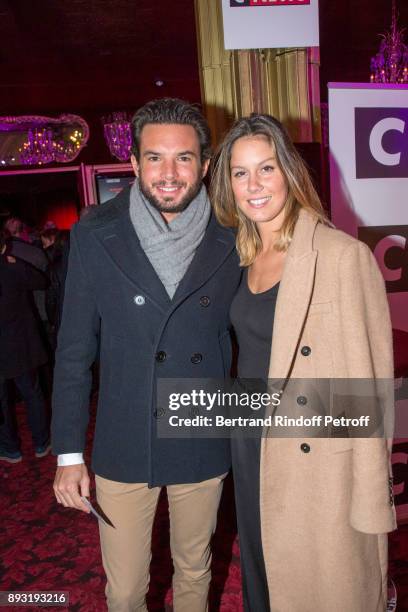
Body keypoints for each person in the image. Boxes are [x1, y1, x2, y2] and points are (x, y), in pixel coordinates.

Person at [51, 98, 241, 611]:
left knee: (195, 570)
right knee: (127, 589)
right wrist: (69, 453)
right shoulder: (94, 231)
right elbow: (73, 349)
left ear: (205, 165)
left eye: (183, 158)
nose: (169, 173)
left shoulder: (235, 231)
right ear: (133, 164)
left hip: (201, 429)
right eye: (154, 158)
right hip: (125, 436)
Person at [210, 113, 396, 612]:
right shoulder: (242, 254)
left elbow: (369, 389)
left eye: (266, 168)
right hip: (251, 443)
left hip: (314, 455)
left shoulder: (340, 256)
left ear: (289, 172)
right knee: (263, 571)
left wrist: (371, 497)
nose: (254, 185)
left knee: (317, 586)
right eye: (240, 172)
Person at [0, 229, 51, 462]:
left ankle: (11, 449)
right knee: (32, 394)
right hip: (20, 346)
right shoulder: (12, 266)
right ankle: (41, 443)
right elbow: (42, 281)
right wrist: (16, 262)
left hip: (14, 346)